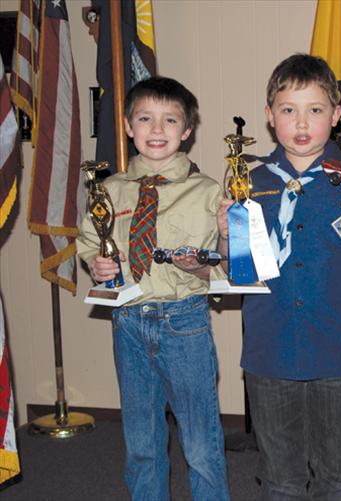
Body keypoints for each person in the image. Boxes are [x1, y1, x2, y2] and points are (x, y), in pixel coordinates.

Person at [216, 53, 341, 500]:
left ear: (337, 115)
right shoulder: (249, 184)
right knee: (280, 476)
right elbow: (238, 269)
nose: (301, 123)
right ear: (270, 118)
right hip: (271, 350)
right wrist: (227, 236)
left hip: (339, 348)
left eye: (316, 109)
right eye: (288, 110)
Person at [77, 77, 230, 501]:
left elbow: (230, 264)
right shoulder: (107, 191)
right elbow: (90, 243)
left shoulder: (208, 192)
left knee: (200, 443)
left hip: (184, 323)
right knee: (141, 444)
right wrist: (96, 263)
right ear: (128, 126)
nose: (157, 130)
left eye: (170, 120)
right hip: (127, 323)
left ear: (187, 131)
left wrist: (202, 265)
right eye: (145, 118)